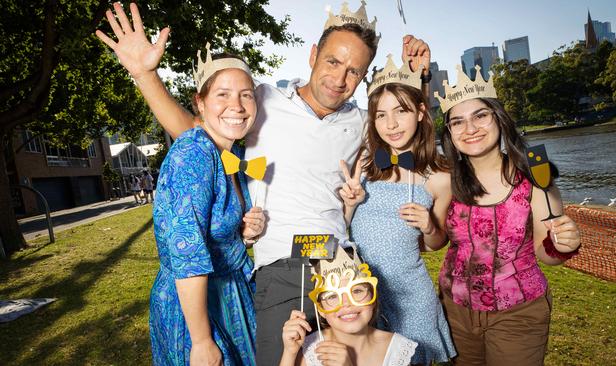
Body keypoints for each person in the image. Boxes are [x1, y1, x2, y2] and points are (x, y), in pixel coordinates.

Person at [95, 3, 430, 364]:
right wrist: (146, 75)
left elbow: (409, 131)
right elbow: (198, 130)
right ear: (313, 54)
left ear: (363, 76)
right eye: (333, 62)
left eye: (354, 71)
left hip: (340, 263)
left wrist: (420, 80)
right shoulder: (262, 101)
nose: (339, 79)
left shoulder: (363, 123)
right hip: (281, 270)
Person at [98, 7, 267, 365]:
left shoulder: (228, 153)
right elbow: (185, 251)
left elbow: (213, 226)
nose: (236, 105)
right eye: (222, 94)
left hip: (229, 294)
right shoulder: (192, 154)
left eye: (246, 94)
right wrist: (202, 341)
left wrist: (242, 232)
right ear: (200, 104)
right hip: (197, 309)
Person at [435, 66, 582, 365]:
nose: (470, 128)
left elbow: (547, 254)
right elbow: (433, 241)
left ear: (499, 119)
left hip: (519, 312)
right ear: (449, 133)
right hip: (455, 310)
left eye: (480, 115)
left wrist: (563, 245)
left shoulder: (535, 179)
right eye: (457, 122)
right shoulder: (445, 180)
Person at [338, 56, 456, 364]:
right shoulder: (364, 164)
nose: (390, 124)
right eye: (381, 115)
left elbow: (436, 243)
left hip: (411, 297)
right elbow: (341, 231)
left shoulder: (440, 178)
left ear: (419, 113)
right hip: (360, 296)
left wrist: (429, 226)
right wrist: (349, 206)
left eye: (401, 111)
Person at [279, 244, 417, 366]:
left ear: (373, 297)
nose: (346, 303)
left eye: (357, 291)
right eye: (332, 296)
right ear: (320, 308)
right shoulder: (310, 351)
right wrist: (289, 353)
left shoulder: (396, 350)